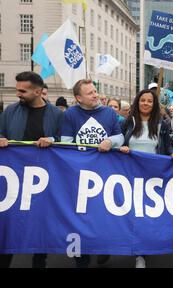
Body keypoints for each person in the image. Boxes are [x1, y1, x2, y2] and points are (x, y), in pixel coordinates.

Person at [0, 71, 63, 268]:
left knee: (40, 223)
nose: (17, 93)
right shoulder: (10, 111)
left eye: (22, 90)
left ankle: (39, 261)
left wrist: (52, 141)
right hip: (14, 180)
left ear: (38, 91)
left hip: (43, 181)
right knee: (8, 224)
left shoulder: (56, 115)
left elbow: (64, 142)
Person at [61, 79, 124, 268]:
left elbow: (120, 137)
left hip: (104, 175)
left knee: (102, 215)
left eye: (95, 91)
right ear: (78, 98)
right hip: (78, 176)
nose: (96, 95)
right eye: (90, 93)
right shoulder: (70, 114)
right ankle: (81, 258)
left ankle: (103, 249)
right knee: (78, 217)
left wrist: (110, 141)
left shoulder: (108, 113)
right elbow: (66, 142)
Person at [120, 89, 173, 268]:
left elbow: (167, 146)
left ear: (154, 105)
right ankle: (137, 250)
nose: (146, 103)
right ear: (137, 102)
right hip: (130, 175)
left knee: (146, 213)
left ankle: (143, 251)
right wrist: (122, 147)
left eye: (149, 101)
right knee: (132, 213)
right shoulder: (128, 122)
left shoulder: (161, 124)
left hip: (152, 176)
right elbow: (120, 141)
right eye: (142, 100)